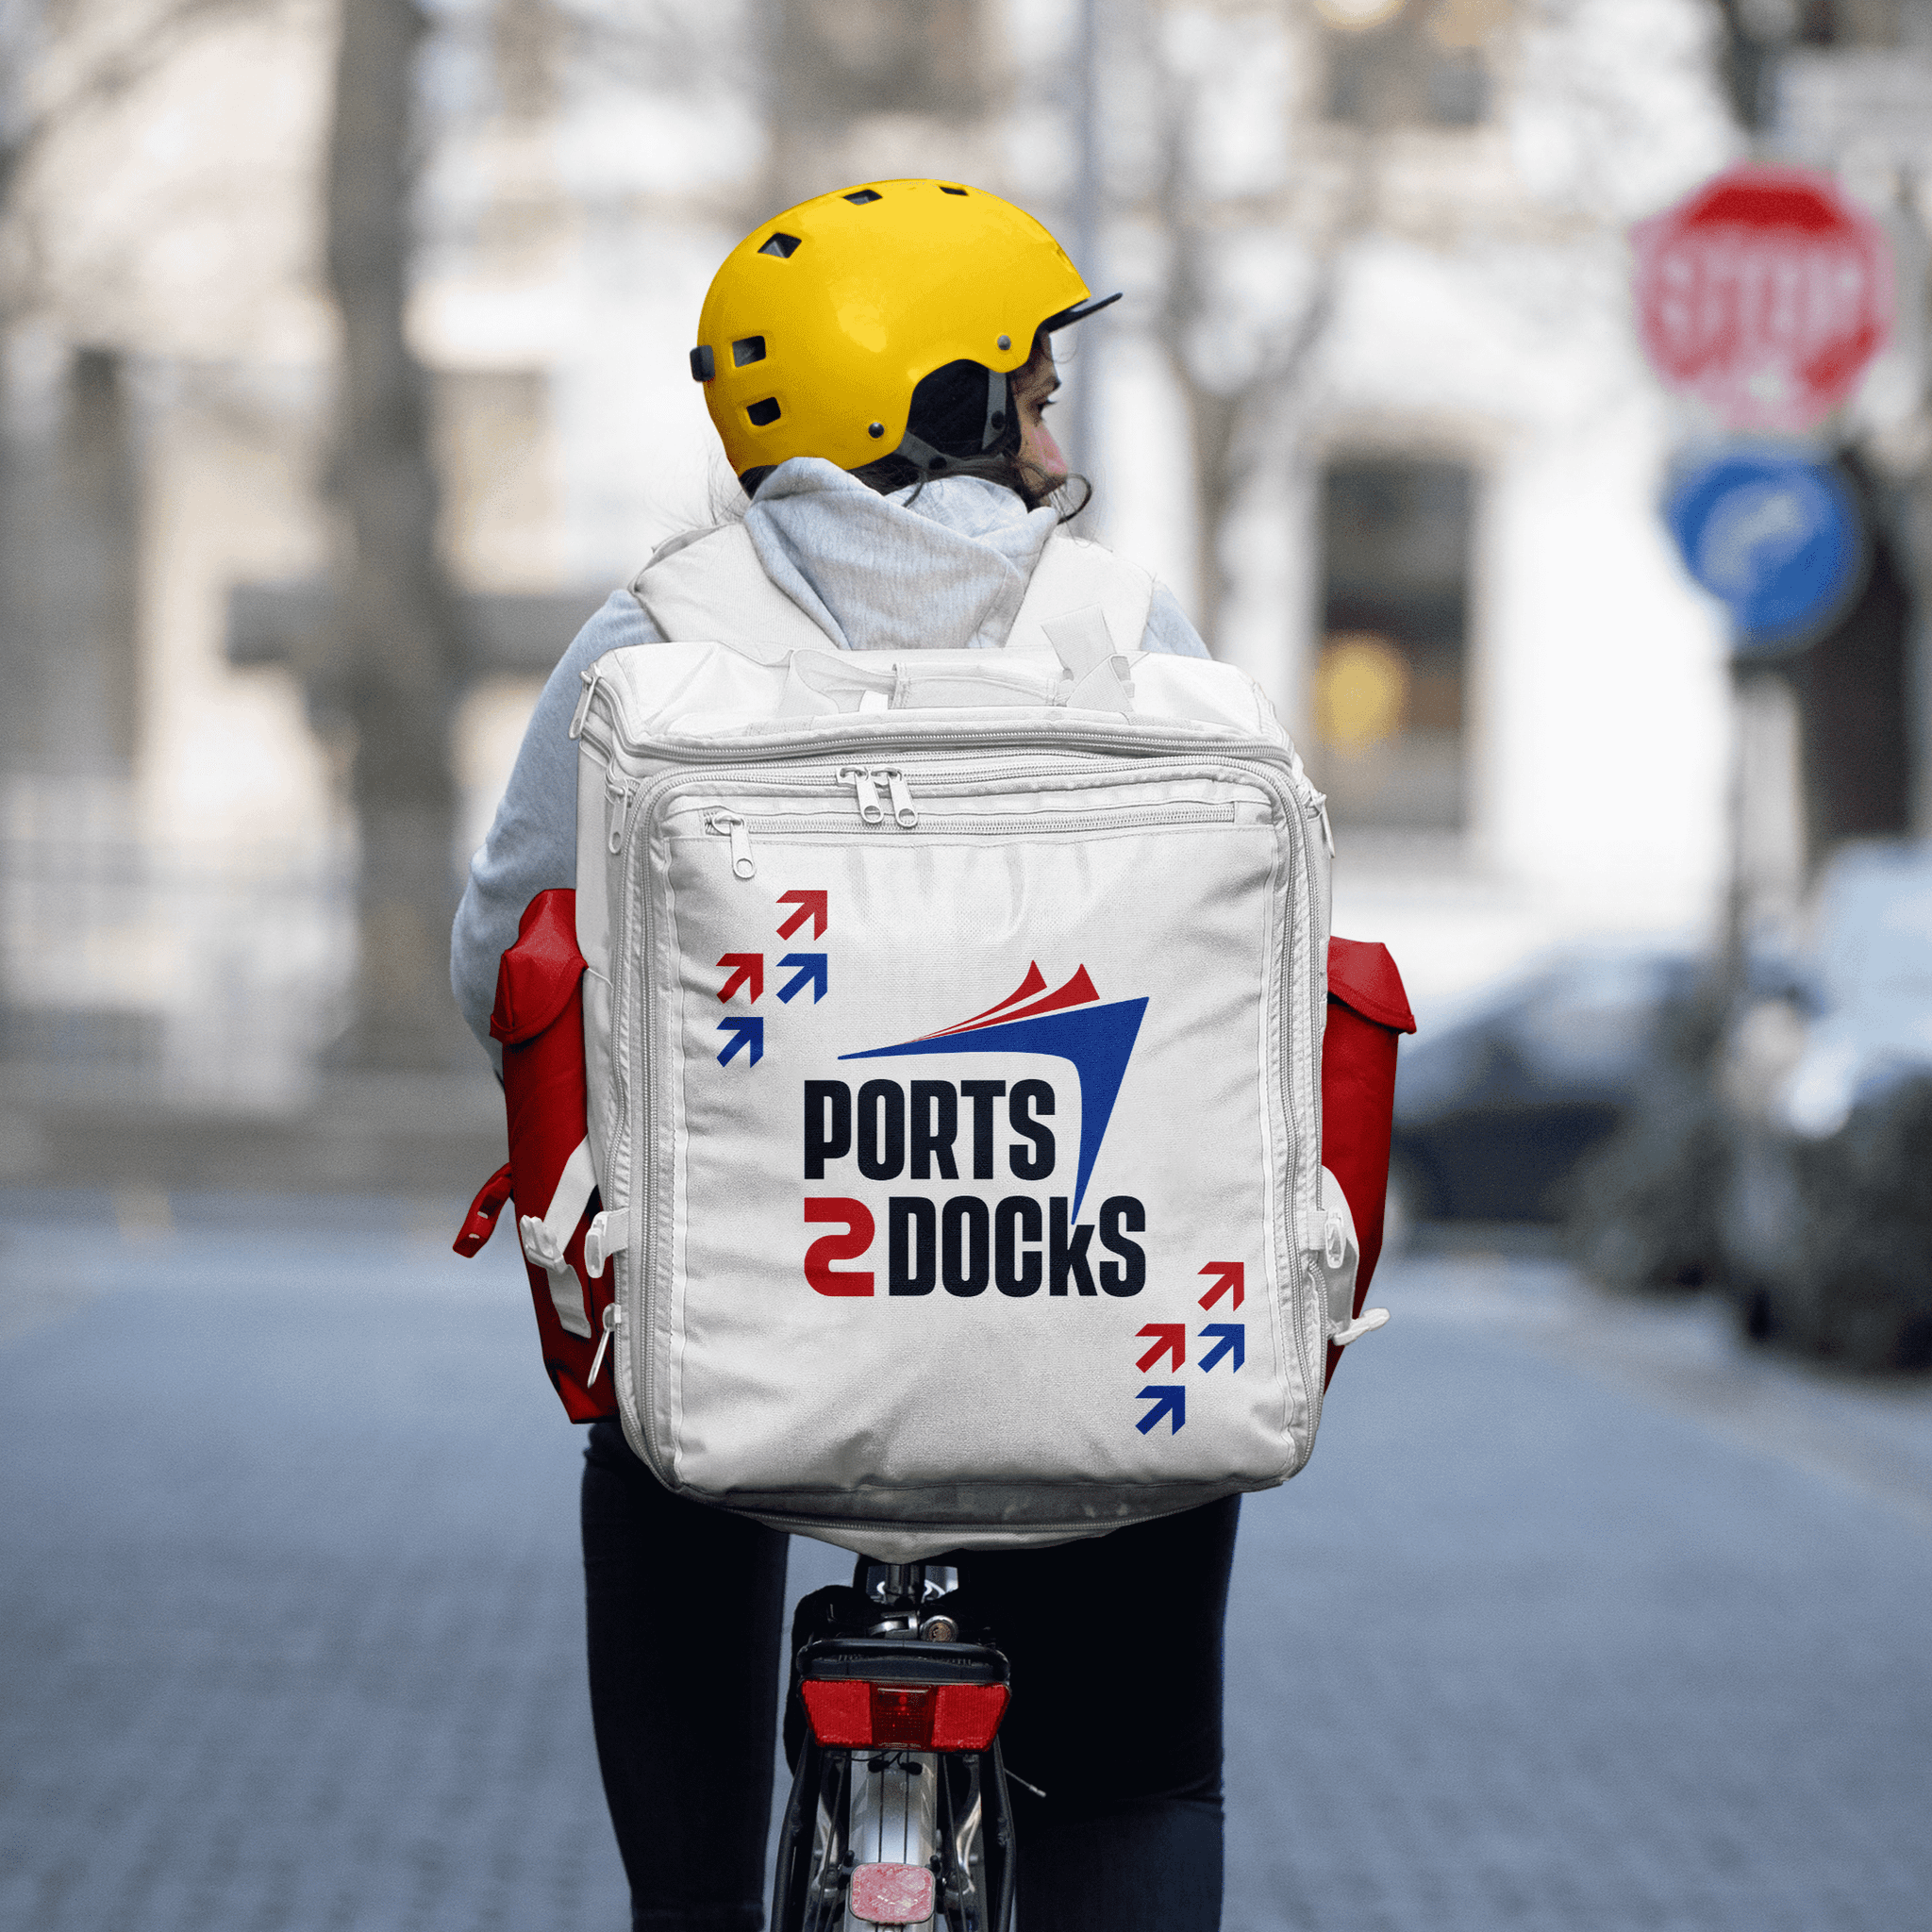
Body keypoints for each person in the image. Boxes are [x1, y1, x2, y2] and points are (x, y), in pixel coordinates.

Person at [451, 179, 1235, 1932]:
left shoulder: (653, 642)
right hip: (1083, 1320)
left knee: (666, 1435)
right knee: (1140, 1763)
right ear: (940, 404)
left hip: (754, 1336)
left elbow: (499, 960)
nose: (1055, 445)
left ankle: (694, 1910)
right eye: (1032, 398)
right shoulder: (1124, 633)